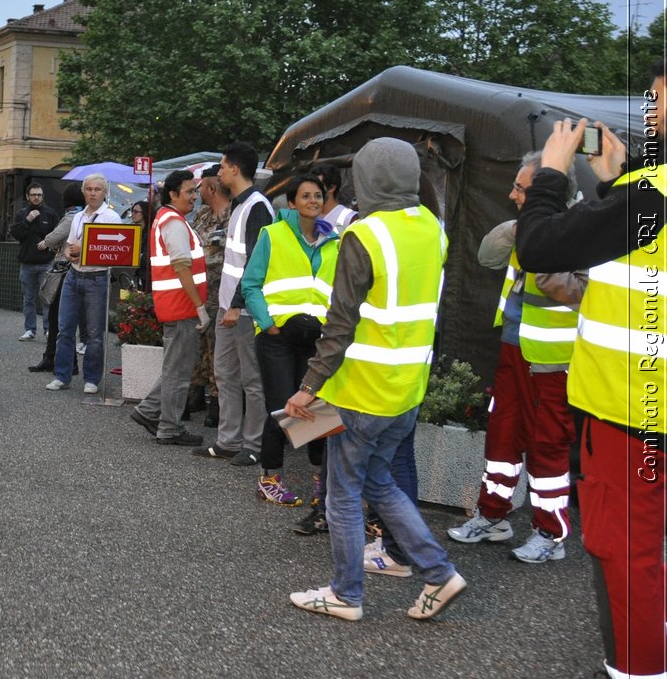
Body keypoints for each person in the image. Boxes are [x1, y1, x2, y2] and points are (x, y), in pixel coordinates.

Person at [514, 69, 665, 679]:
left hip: (631, 423)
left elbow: (540, 245)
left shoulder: (655, 193)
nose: (649, 110)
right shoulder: (646, 197)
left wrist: (551, 170)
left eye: (659, 98)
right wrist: (610, 186)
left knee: (628, 580)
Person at [284, 137, 466, 624]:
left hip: (360, 389)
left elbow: (340, 324)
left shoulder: (363, 236)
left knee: (344, 493)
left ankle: (346, 594)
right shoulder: (433, 228)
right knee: (380, 481)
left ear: (368, 179)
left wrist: (308, 386)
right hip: (406, 389)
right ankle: (437, 571)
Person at [447, 152, 584, 564]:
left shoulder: (584, 228)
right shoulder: (528, 225)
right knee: (502, 435)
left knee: (548, 446)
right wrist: (520, 228)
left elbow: (584, 291)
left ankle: (551, 534)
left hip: (553, 359)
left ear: (548, 189)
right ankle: (492, 515)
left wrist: (544, 254)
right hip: (513, 346)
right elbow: (487, 256)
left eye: (521, 189)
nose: (512, 195)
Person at [241, 174, 340, 508]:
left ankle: (319, 481)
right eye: (305, 196)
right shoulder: (273, 234)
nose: (313, 201)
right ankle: (270, 480)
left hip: (316, 340)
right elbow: (250, 284)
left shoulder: (334, 242)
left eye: (318, 195)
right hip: (278, 339)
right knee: (282, 407)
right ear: (292, 202)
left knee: (316, 407)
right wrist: (268, 325)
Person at [199, 142, 274, 466]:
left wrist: (236, 305)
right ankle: (228, 441)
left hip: (242, 310)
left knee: (251, 380)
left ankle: (254, 444)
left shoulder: (257, 206)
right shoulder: (240, 205)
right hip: (228, 306)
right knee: (226, 374)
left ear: (234, 169)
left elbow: (256, 263)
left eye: (222, 165)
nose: (218, 171)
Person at [129, 169, 208, 444]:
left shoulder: (166, 219)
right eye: (189, 192)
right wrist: (200, 306)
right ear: (173, 194)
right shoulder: (174, 222)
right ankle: (168, 427)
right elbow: (182, 265)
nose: (194, 197)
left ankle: (151, 412)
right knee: (179, 370)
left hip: (174, 304)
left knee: (175, 367)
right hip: (182, 306)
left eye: (195, 191)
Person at [40, 174, 122, 395]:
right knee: (64, 330)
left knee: (94, 334)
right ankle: (62, 376)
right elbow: (68, 246)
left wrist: (82, 252)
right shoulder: (77, 217)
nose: (93, 193)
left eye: (97, 189)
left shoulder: (111, 217)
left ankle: (92, 379)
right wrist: (71, 254)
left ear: (105, 193)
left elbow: (111, 253)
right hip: (73, 275)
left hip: (97, 278)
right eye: (89, 189)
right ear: (84, 192)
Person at [188, 165, 229, 424]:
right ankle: (195, 391)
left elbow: (225, 255)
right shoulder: (202, 214)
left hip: (218, 291)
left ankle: (217, 402)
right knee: (198, 345)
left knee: (217, 349)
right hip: (198, 291)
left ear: (211, 187)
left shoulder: (231, 216)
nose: (197, 192)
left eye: (200, 187)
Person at [29, 183, 84, 374]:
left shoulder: (72, 217)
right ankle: (60, 359)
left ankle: (58, 360)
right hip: (71, 269)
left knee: (57, 317)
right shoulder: (83, 215)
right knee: (60, 319)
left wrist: (45, 243)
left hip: (63, 270)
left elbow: (54, 237)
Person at [10, 183, 58, 341]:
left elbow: (58, 235)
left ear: (43, 196)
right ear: (27, 196)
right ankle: (30, 329)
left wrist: (49, 244)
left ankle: (48, 329)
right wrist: (28, 220)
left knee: (47, 299)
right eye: (33, 195)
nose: (36, 197)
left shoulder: (50, 213)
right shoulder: (22, 213)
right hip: (27, 264)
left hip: (46, 263)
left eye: (39, 194)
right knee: (28, 299)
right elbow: (15, 234)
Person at [311, 162, 357, 232]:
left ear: (332, 188)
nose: (312, 190)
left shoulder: (348, 217)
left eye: (318, 186)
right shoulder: (308, 217)